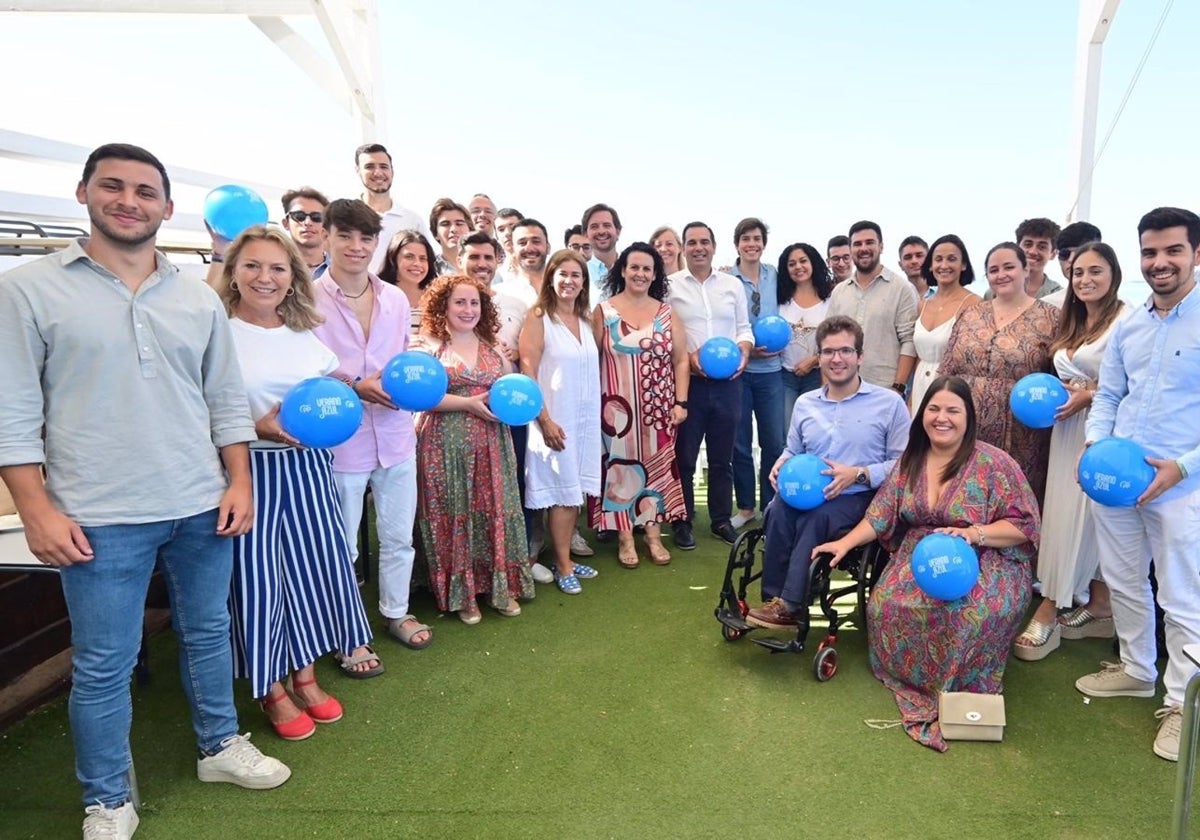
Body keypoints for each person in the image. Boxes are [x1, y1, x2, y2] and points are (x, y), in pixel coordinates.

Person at [0, 143, 289, 840]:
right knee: (105, 662)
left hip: (201, 501)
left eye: (145, 191)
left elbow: (224, 400)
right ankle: (107, 798)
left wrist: (240, 480)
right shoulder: (28, 288)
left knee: (209, 632)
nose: (129, 201)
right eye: (114, 186)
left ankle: (219, 746)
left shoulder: (196, 295)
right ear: (83, 193)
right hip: (98, 514)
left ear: (166, 206)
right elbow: (12, 411)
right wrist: (35, 508)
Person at [814, 376, 1039, 753]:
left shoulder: (994, 464)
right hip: (922, 555)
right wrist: (843, 542)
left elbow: (1023, 526)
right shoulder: (912, 460)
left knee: (966, 612)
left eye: (953, 410)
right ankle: (917, 682)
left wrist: (975, 534)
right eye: (934, 409)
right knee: (886, 606)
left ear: (969, 417)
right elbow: (881, 515)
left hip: (987, 555)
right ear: (922, 414)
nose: (942, 418)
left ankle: (958, 686)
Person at [216, 226, 377, 741]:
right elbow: (199, 409)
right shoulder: (215, 332)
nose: (266, 277)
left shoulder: (304, 332)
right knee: (261, 583)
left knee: (315, 572)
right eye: (254, 266)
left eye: (278, 268)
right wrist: (254, 427)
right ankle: (270, 687)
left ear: (293, 278)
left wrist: (356, 388)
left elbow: (329, 385)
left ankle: (305, 675)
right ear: (233, 272)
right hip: (249, 471)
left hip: (309, 471)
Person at [1074, 207, 1200, 763]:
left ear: (1197, 253)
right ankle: (1136, 670)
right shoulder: (1130, 324)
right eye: (1150, 252)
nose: (1160, 262)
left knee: (1181, 595)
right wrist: (1098, 444)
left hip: (1181, 484)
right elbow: (1107, 395)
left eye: (1173, 250)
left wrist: (1184, 467)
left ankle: (1181, 704)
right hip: (1117, 480)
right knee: (1124, 580)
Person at [311, 199, 433, 653]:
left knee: (399, 536)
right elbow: (304, 371)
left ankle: (396, 612)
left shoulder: (396, 298)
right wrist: (353, 386)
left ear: (376, 242)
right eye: (345, 236)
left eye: (365, 238)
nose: (356, 247)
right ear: (326, 237)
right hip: (341, 439)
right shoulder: (306, 298)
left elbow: (403, 358)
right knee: (342, 544)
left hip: (397, 433)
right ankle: (345, 632)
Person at [745, 316, 909, 630]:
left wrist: (858, 474)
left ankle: (791, 605)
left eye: (846, 351)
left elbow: (904, 466)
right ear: (819, 357)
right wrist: (782, 464)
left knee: (814, 519)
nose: (837, 359)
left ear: (860, 356)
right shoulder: (806, 404)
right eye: (829, 351)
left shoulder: (889, 404)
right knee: (776, 510)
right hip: (809, 491)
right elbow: (793, 450)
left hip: (860, 496)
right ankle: (773, 600)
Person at [1013, 242, 1124, 661]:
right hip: (1064, 432)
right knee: (1065, 516)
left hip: (1103, 432)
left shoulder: (1126, 321)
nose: (1085, 280)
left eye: (1095, 271)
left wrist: (1088, 395)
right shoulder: (1073, 322)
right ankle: (1099, 605)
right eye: (1078, 273)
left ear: (1113, 274)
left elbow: (1133, 385)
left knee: (1082, 519)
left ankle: (1051, 605)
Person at [414, 274, 534, 622]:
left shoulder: (494, 345)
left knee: (493, 506)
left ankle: (499, 588)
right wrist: (465, 404)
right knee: (455, 510)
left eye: (474, 303)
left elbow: (511, 389)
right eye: (460, 302)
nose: (468, 310)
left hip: (491, 441)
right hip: (444, 443)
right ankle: (463, 595)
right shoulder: (427, 345)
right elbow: (419, 397)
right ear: (444, 306)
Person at [590, 243, 689, 568]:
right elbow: (590, 360)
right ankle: (624, 537)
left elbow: (681, 361)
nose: (641, 274)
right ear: (622, 269)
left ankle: (652, 535)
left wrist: (680, 402)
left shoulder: (666, 312)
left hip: (658, 408)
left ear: (655, 274)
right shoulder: (603, 312)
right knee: (619, 470)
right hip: (615, 410)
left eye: (647, 268)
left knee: (657, 470)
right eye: (635, 267)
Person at [938, 242, 1060, 504]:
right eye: (993, 270)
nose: (1001, 274)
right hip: (966, 428)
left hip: (1023, 436)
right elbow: (947, 368)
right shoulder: (971, 314)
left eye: (1009, 267)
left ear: (1026, 269)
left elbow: (1059, 375)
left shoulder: (1051, 318)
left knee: (1015, 504)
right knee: (964, 498)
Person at [519, 249, 602, 594]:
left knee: (573, 494)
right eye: (563, 274)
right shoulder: (539, 317)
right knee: (562, 495)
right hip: (553, 420)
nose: (569, 281)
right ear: (551, 277)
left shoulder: (585, 320)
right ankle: (563, 563)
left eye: (576, 275)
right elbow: (528, 370)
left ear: (584, 282)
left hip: (583, 420)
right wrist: (545, 420)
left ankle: (563, 556)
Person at [668, 221, 754, 548]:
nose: (699, 247)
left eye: (705, 242)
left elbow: (744, 328)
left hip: (729, 384)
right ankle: (683, 520)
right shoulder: (669, 286)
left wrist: (744, 351)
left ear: (715, 247)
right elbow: (665, 330)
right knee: (685, 458)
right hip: (688, 383)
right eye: (692, 242)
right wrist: (688, 357)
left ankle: (720, 520)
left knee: (722, 458)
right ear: (683, 248)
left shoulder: (731, 285)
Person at [728, 218, 785, 532]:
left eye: (757, 238)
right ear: (737, 243)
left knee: (773, 441)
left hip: (772, 373)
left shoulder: (775, 275)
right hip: (739, 371)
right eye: (746, 238)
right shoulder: (726, 278)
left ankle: (770, 506)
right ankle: (746, 507)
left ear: (764, 243)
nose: (752, 244)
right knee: (739, 443)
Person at [826, 220, 918, 394]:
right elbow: (828, 340)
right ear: (851, 249)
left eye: (870, 242)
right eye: (857, 244)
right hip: (843, 388)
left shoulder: (901, 289)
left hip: (885, 390)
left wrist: (898, 387)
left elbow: (909, 341)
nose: (863, 248)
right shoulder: (840, 292)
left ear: (881, 246)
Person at [910, 235, 979, 412]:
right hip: (920, 384)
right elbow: (918, 356)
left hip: (953, 388)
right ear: (931, 266)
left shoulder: (974, 304)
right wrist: (911, 399)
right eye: (938, 259)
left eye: (952, 259)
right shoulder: (922, 304)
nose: (944, 265)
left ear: (963, 265)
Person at [354, 142, 433, 273]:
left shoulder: (412, 221)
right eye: (369, 167)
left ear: (392, 171)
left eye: (384, 167)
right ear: (358, 171)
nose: (378, 172)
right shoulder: (347, 218)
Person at [776, 243, 832, 422]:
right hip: (784, 375)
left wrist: (814, 360)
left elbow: (836, 340)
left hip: (816, 374)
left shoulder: (830, 299)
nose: (798, 267)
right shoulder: (780, 298)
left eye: (803, 261)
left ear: (813, 262)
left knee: (812, 428)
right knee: (785, 430)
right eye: (792, 264)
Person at [986, 217, 1063, 301]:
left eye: (1042, 247)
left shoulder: (1059, 295)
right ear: (1017, 248)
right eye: (1028, 244)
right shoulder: (994, 293)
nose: (1033, 252)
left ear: (1053, 254)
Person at [377, 229, 438, 334]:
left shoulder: (438, 296)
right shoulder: (377, 294)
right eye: (409, 257)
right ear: (393, 258)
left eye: (423, 258)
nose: (417, 263)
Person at [280, 186, 329, 276]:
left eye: (316, 217)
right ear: (286, 223)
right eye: (299, 216)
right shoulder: (272, 267)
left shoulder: (342, 270)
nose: (307, 222)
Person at [429, 197, 474, 277]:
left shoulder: (485, 265)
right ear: (436, 233)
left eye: (459, 223)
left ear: (470, 230)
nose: (453, 229)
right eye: (445, 224)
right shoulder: (428, 269)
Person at [583, 202, 621, 296]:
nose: (601, 231)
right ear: (586, 235)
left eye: (607, 225)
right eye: (594, 227)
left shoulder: (632, 270)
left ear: (618, 232)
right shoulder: (580, 272)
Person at [897, 235, 929, 299]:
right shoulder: (896, 298)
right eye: (908, 257)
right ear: (901, 265)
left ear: (929, 260)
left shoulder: (945, 293)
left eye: (919, 255)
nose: (914, 261)